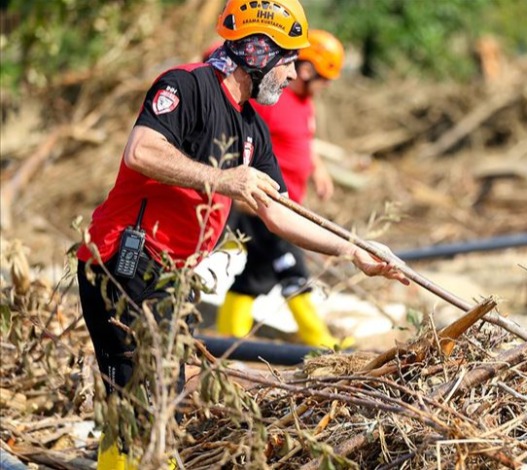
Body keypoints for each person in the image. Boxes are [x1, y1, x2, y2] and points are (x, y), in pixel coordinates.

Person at [75, 1, 407, 467]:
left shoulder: (252, 126)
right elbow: (141, 150)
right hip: (125, 261)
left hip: (172, 275)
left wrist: (354, 249)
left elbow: (279, 213)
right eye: (288, 58)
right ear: (258, 50)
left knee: (149, 398)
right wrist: (225, 179)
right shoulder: (185, 86)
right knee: (143, 396)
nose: (292, 73)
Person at [214, 30, 351, 349]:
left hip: (291, 204)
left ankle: (226, 340)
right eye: (325, 78)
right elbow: (240, 133)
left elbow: (305, 138)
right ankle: (321, 344)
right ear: (307, 70)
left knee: (256, 275)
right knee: (293, 269)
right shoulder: (273, 99)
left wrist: (318, 168)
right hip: (264, 204)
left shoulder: (305, 102)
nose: (328, 86)